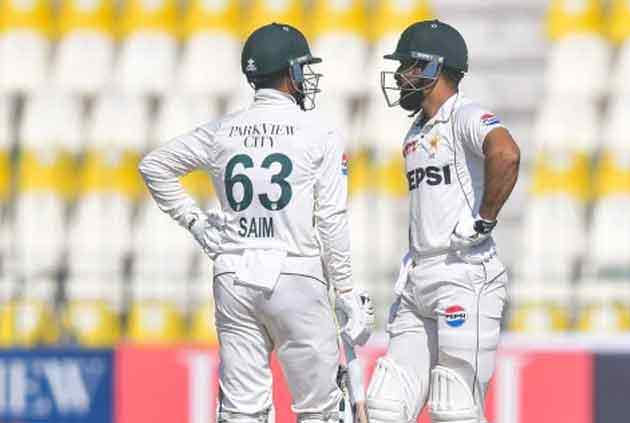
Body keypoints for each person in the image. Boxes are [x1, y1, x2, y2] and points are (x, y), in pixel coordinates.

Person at [139, 22, 375, 423]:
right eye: (303, 68)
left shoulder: (222, 130)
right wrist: (347, 290)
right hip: (296, 275)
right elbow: (332, 219)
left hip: (234, 276)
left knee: (242, 411)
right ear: (291, 73)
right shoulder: (320, 133)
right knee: (319, 411)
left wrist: (196, 223)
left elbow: (154, 166)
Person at [366, 19, 521, 423]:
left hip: (464, 275)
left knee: (455, 408)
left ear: (433, 68)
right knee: (385, 405)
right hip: (419, 277)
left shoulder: (465, 115)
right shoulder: (416, 130)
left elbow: (505, 153)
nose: (400, 76)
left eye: (407, 66)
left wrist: (484, 220)